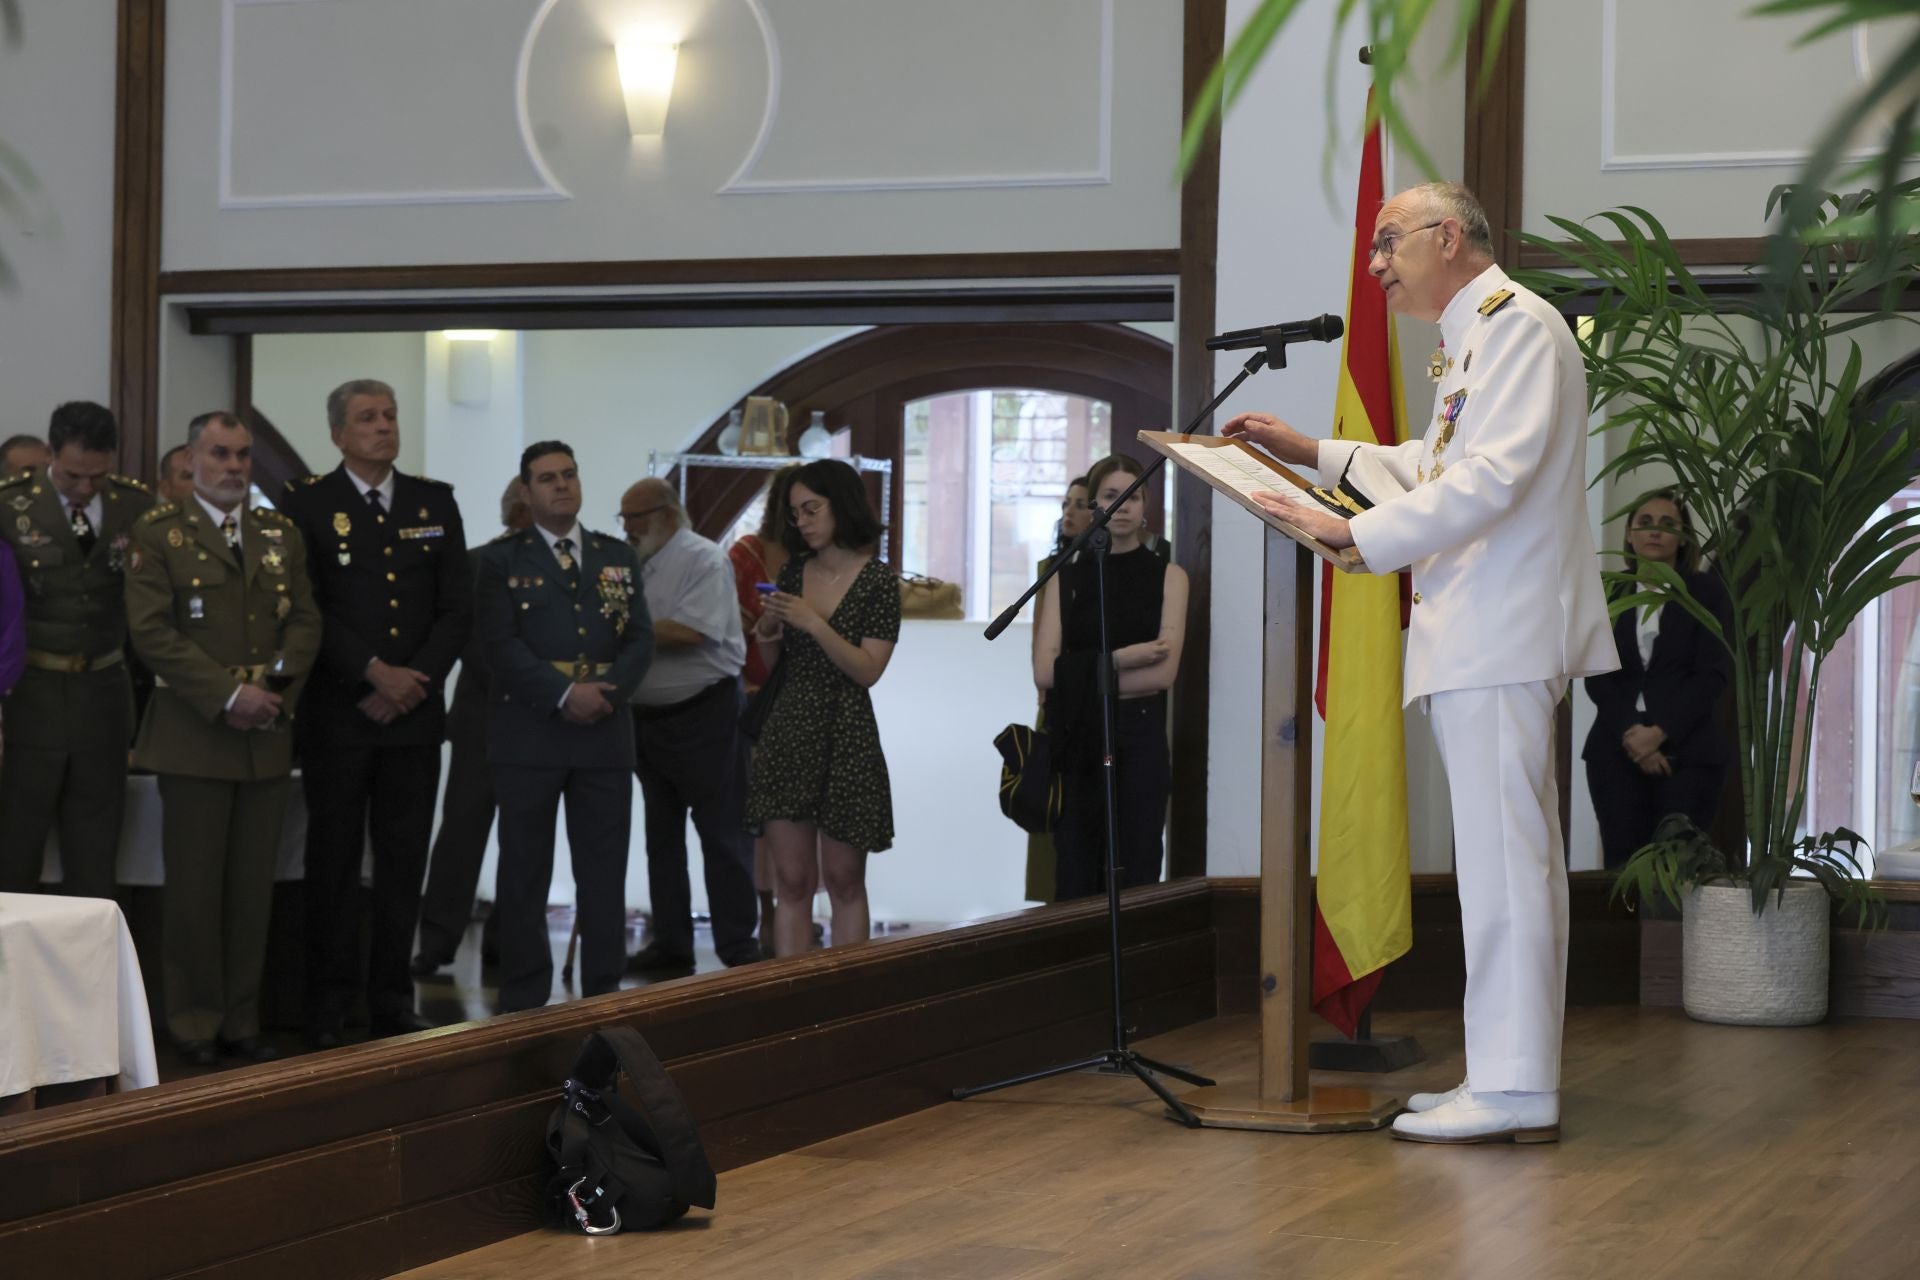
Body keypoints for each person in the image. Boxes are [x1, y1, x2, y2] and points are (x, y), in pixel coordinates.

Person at [1223, 181, 1616, 1144]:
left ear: (1449, 237)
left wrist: (1356, 537)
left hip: (1501, 628)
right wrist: (1315, 454)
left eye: (1388, 242)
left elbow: (1493, 477)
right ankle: (1502, 1077)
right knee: (1494, 868)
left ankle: (1518, 1087)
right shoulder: (1476, 333)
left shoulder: (1516, 324)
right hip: (1479, 630)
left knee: (1508, 870)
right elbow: (1441, 465)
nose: (1376, 266)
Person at [278, 379, 471, 1047]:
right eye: (367, 418)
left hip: (413, 718)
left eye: (389, 415)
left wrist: (414, 682)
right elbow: (309, 606)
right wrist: (372, 673)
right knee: (331, 865)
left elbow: (455, 608)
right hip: (340, 713)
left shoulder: (433, 501)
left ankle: (391, 997)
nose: (383, 426)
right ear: (338, 434)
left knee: (402, 863)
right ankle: (329, 1003)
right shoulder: (308, 503)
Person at [125, 411, 322, 1066]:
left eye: (242, 456)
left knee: (250, 893)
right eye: (220, 455)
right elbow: (152, 633)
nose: (235, 466)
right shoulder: (159, 534)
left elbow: (305, 620)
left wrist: (274, 691)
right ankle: (192, 1021)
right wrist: (229, 696)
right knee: (195, 892)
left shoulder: (277, 533)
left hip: (264, 735)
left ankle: (242, 1019)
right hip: (194, 735)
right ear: (193, 458)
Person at [475, 441, 651, 1013]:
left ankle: (604, 993)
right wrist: (561, 694)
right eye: (547, 478)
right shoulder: (502, 560)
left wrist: (608, 692)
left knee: (603, 872)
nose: (561, 486)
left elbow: (641, 640)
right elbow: (499, 646)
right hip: (529, 733)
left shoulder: (616, 555)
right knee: (525, 871)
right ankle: (525, 996)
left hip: (604, 730)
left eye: (569, 475)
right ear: (525, 492)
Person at [745, 459, 899, 958]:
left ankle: (846, 1001)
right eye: (795, 514)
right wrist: (768, 635)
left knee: (844, 879)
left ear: (842, 505)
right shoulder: (792, 572)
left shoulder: (876, 581)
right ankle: (790, 998)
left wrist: (813, 623)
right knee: (791, 881)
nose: (803, 521)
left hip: (846, 730)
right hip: (789, 728)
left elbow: (867, 669)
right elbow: (778, 663)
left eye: (812, 508)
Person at [0, 402, 152, 898]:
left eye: (98, 476)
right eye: (73, 476)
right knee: (16, 849)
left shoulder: (136, 504)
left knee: (95, 857)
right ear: (49, 453)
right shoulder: (9, 505)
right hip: (30, 697)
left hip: (103, 696)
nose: (86, 488)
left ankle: (89, 975)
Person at [619, 477, 760, 974]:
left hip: (706, 714)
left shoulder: (702, 558)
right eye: (624, 518)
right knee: (661, 836)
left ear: (664, 514)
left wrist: (625, 631)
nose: (627, 529)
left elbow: (691, 631)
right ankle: (672, 945)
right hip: (647, 718)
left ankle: (738, 946)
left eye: (633, 518)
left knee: (721, 832)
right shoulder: (631, 565)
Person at [1032, 455, 1187, 901]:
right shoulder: (1068, 575)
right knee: (1077, 864)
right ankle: (1080, 969)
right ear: (1094, 505)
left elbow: (1162, 674)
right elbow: (1045, 670)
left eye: (1133, 495)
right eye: (1110, 495)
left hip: (1139, 734)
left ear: (1146, 506)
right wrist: (1120, 660)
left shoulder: (1170, 575)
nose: (1122, 505)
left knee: (1137, 864)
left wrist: (1082, 673)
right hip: (1079, 734)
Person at [412, 476, 533, 977]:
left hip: (538, 727)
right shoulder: (476, 563)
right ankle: (437, 942)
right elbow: (472, 642)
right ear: (512, 513)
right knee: (462, 834)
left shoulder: (566, 569)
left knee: (526, 839)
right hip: (481, 720)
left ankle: (509, 941)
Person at [1583, 491, 1734, 868]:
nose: (1655, 533)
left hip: (1691, 753)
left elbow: (1712, 675)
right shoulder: (1607, 591)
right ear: (1629, 535)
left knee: (1679, 869)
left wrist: (1659, 732)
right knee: (1622, 867)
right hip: (1615, 751)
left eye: (1668, 525)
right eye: (1645, 523)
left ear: (1683, 538)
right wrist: (1633, 735)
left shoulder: (1706, 592)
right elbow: (1596, 675)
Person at [729, 465, 800, 949]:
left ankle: (800, 909)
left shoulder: (823, 557)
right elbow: (727, 629)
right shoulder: (746, 554)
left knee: (803, 816)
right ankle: (767, 913)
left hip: (806, 699)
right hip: (755, 698)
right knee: (759, 819)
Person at [1024, 473, 1094, 904]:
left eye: (1080, 504)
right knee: (1049, 803)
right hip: (1056, 697)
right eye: (1066, 503)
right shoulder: (1049, 569)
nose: (1069, 512)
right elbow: (1039, 645)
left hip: (1093, 692)